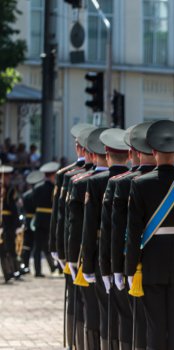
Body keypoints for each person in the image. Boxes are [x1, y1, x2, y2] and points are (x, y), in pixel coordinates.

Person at [125, 120, 174, 350]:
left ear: (152, 151)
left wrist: (131, 268)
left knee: (155, 327)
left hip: (151, 262)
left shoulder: (139, 184)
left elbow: (133, 232)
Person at [80, 128, 130, 349]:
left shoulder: (96, 181)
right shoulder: (135, 179)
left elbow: (89, 227)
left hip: (104, 252)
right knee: (130, 312)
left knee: (106, 310)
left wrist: (87, 265)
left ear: (106, 155)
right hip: (131, 252)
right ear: (128, 155)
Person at [110, 122, 156, 349]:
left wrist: (118, 267)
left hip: (133, 260)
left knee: (129, 319)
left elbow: (117, 230)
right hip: (167, 261)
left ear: (132, 153)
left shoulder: (122, 182)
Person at [52, 123, 95, 349]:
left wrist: (59, 249)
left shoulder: (70, 176)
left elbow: (62, 219)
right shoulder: (70, 176)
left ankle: (77, 343)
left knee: (77, 300)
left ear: (79, 148)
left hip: (76, 249)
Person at [31, 163, 61, 277]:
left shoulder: (37, 187)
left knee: (37, 248)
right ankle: (59, 268)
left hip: (39, 220)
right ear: (53, 175)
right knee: (55, 245)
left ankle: (37, 271)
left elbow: (33, 202)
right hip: (51, 219)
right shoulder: (55, 188)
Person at [20, 170, 44, 276]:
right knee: (37, 248)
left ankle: (25, 267)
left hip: (27, 221)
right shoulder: (39, 193)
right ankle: (37, 270)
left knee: (26, 246)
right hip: (37, 221)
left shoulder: (25, 195)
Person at [0, 164, 19, 283]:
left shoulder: (10, 189)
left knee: (5, 248)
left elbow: (13, 207)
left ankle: (9, 272)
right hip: (4, 222)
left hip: (6, 223)